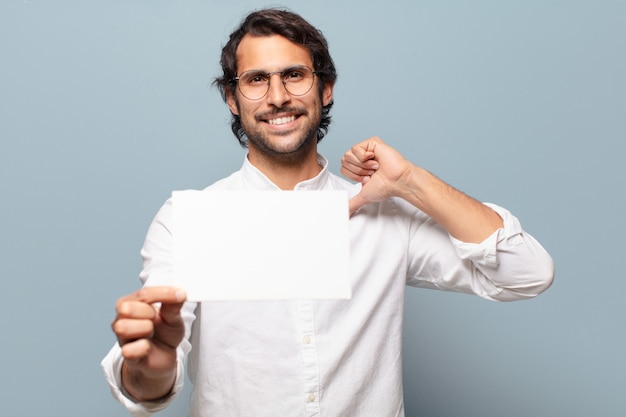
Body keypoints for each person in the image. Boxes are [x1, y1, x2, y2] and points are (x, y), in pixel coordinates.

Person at [102, 8, 554, 417]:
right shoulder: (189, 220)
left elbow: (526, 273)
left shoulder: (385, 216)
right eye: (256, 79)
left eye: (294, 75)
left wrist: (411, 181)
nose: (277, 96)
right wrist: (152, 367)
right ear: (231, 98)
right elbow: (149, 379)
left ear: (326, 87)